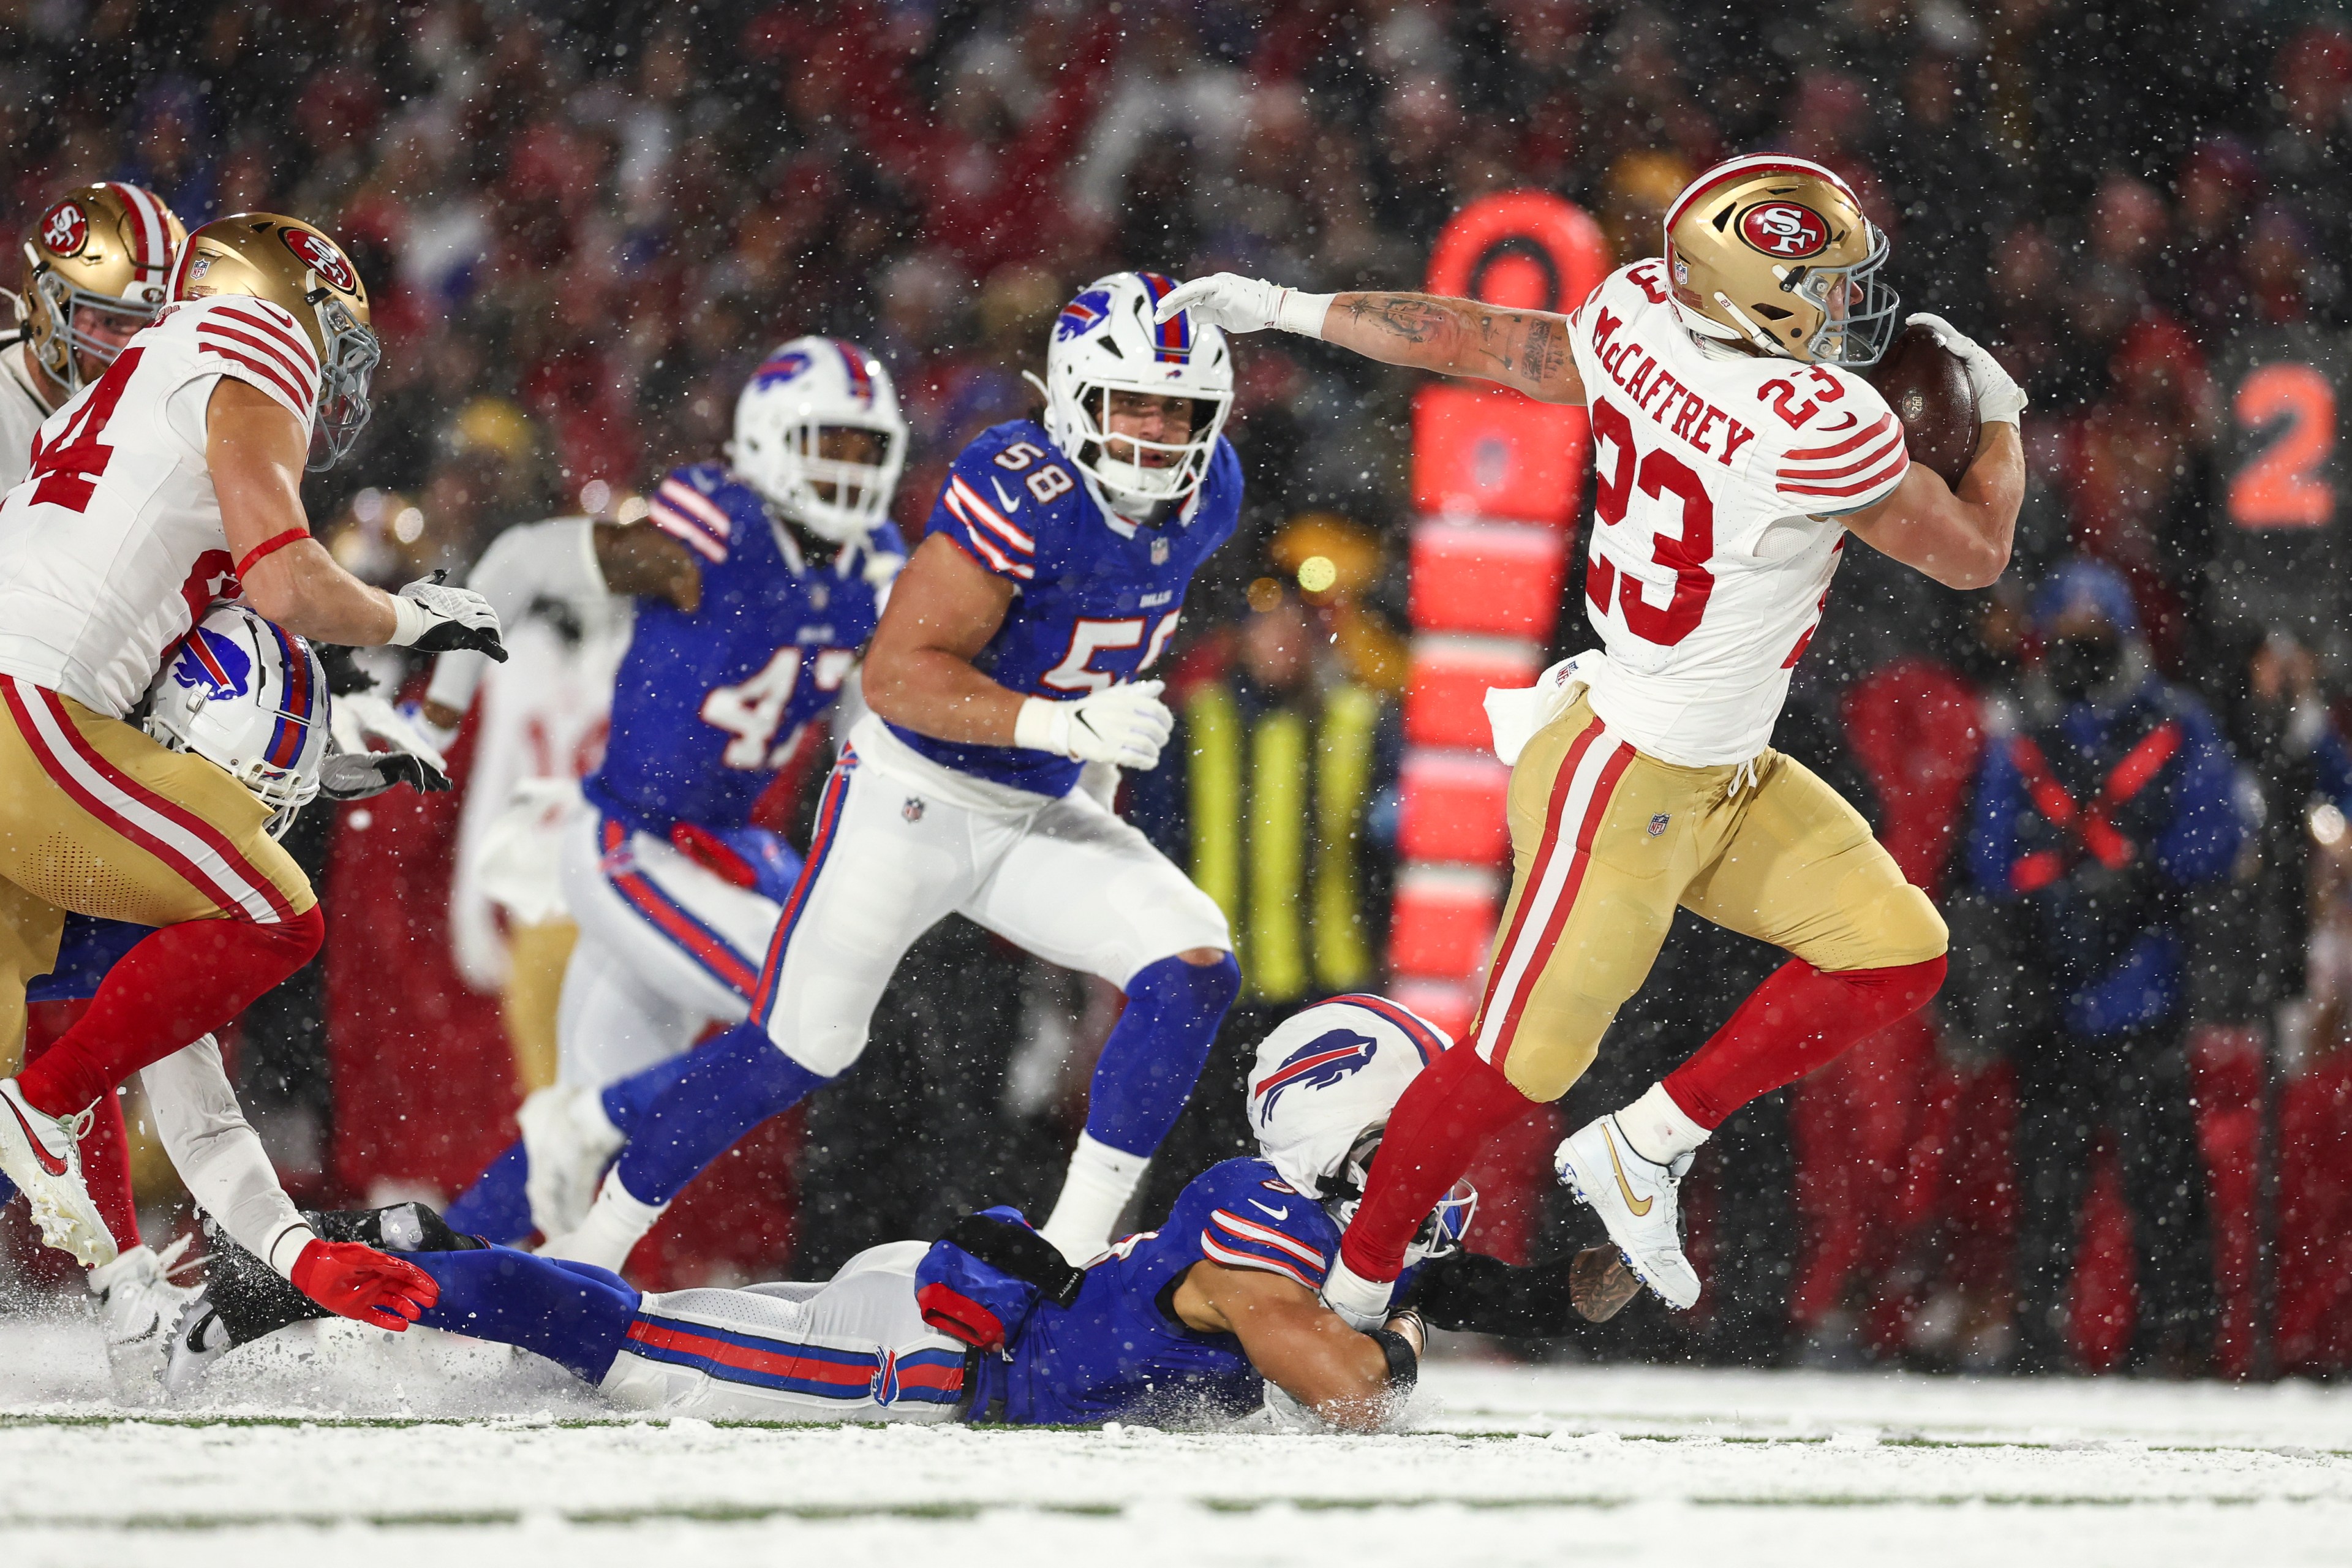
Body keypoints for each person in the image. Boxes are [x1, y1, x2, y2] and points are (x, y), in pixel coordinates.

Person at [1159, 153, 2029, 1325]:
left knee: (1895, 948)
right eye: (1817, 288)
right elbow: (1977, 553)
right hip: (1620, 778)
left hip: (1720, 766)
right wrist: (2005, 421)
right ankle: (1352, 1294)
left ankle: (1646, 1144)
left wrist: (1285, 308)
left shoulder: (1635, 319)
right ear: (1747, 299)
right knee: (1513, 1065)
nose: (1845, 312)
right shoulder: (1818, 425)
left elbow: (1474, 342)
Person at [540, 273, 1245, 1272]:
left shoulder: (1211, 491)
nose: (1159, 431)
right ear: (1074, 391)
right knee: (801, 1043)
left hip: (1039, 805)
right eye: (1133, 401)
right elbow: (899, 676)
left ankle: (1067, 1262)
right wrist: (1061, 719)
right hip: (916, 795)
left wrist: (1081, 759)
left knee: (1193, 969)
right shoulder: (1018, 483)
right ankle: (590, 1244)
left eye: (1181, 409)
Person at [168, 996, 1635, 1430]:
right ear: (1333, 1128)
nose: (1429, 1168)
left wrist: (1573, 1278)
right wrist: (1403, 1347)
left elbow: (1450, 1289)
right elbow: (1346, 1383)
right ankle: (347, 1265)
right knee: (610, 1334)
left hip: (959, 1326)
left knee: (610, 1333)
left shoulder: (1319, 1223)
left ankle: (415, 1255)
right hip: (929, 1355)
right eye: (1409, 1136)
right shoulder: (1259, 1208)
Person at [0, 211, 506, 1267]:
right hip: (30, 705)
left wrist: (323, 764)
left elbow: (164, 657)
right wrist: (417, 616)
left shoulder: (125, 383)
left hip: (41, 694)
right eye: (334, 333)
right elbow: (284, 579)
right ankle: (43, 1109)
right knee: (275, 910)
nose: (337, 370)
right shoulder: (251, 345)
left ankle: (50, 1141)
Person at [434, 337, 908, 1246]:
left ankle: (429, 1291)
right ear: (770, 439)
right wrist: (441, 710)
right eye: (827, 444)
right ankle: (585, 1130)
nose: (847, 472)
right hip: (630, 845)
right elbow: (524, 562)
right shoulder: (707, 539)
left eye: (863, 449)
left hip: (725, 854)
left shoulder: (871, 569)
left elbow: (864, 742)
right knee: (812, 1011)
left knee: (574, 1163)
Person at [1966, 560, 2240, 1371]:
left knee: (2164, 1183)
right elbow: (1987, 856)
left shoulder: (2176, 726)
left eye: (2098, 631)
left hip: (2146, 986)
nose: (2083, 647)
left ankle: (2176, 1336)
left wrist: (2140, 880)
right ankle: (2041, 1333)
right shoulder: (2023, 733)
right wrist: (2055, 887)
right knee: (2047, 1185)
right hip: (2049, 987)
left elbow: (2214, 837)